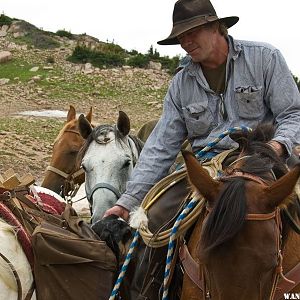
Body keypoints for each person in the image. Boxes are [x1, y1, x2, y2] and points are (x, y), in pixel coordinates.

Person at [104, 0, 300, 221]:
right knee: (153, 223)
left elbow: (293, 114)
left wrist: (277, 146)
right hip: (208, 167)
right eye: (180, 37)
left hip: (261, 160)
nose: (186, 42)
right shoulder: (181, 83)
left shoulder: (265, 58)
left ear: (216, 27)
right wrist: (128, 201)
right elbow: (161, 146)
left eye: (192, 33)